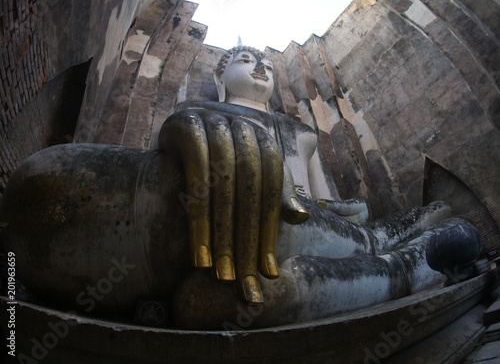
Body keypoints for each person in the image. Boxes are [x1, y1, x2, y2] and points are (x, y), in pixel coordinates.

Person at [158, 46, 482, 329]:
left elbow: (325, 200)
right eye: (245, 61)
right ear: (219, 79)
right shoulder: (200, 115)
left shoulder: (301, 132)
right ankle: (400, 268)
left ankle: (385, 262)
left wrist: (346, 208)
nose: (260, 69)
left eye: (268, 68)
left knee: (436, 213)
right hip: (239, 219)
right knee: (405, 238)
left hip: (315, 225)